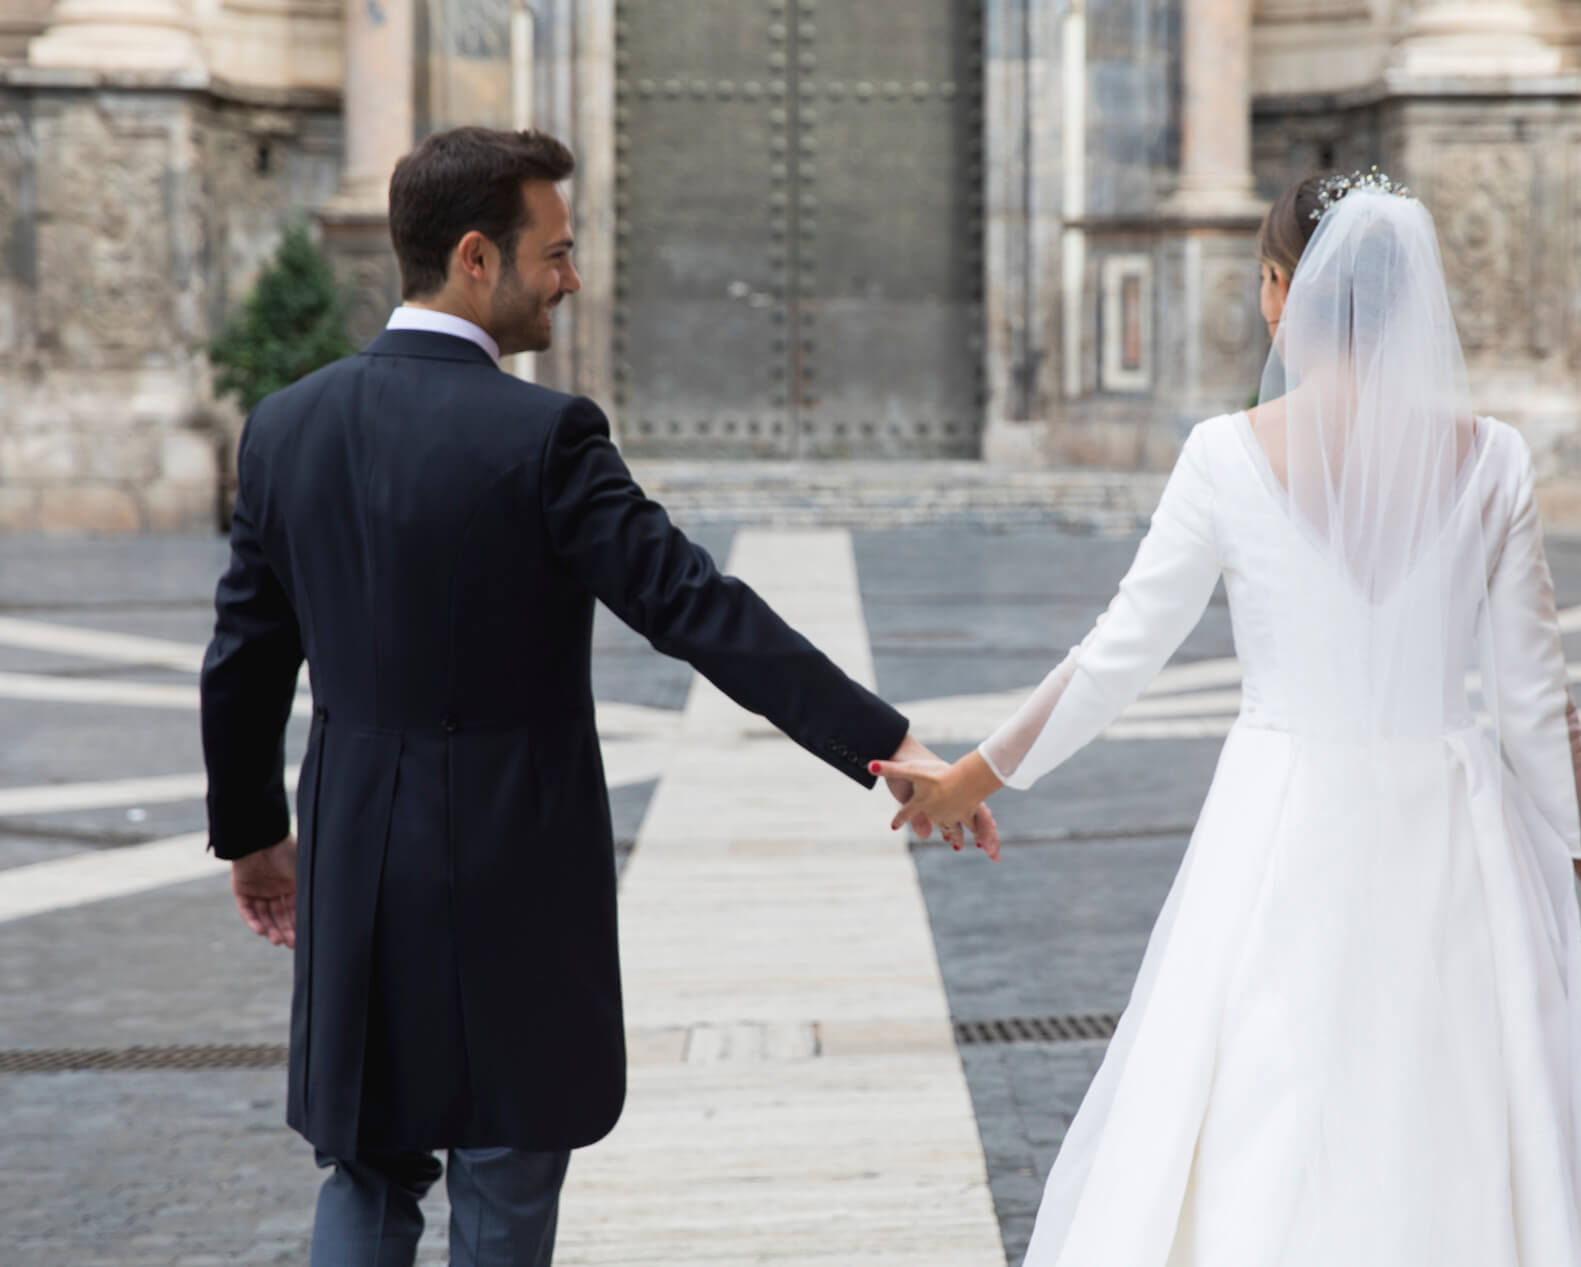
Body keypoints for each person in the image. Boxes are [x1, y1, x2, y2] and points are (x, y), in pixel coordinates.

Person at [878, 174, 1581, 1265]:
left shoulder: (1223, 455)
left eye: (1262, 278)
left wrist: (972, 776)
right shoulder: (1491, 459)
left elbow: (1114, 655)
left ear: (1283, 290)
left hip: (1279, 820)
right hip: (1455, 825)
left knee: (1263, 1097)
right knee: (1461, 1098)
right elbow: (1534, 701)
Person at [199, 125, 997, 1266]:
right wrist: (892, 745)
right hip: (510, 867)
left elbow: (242, 656)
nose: (573, 279)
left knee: (366, 1173)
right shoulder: (544, 435)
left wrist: (254, 838)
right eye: (557, 252)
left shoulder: (285, 427)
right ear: (479, 257)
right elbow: (694, 607)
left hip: (353, 859)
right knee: (506, 1183)